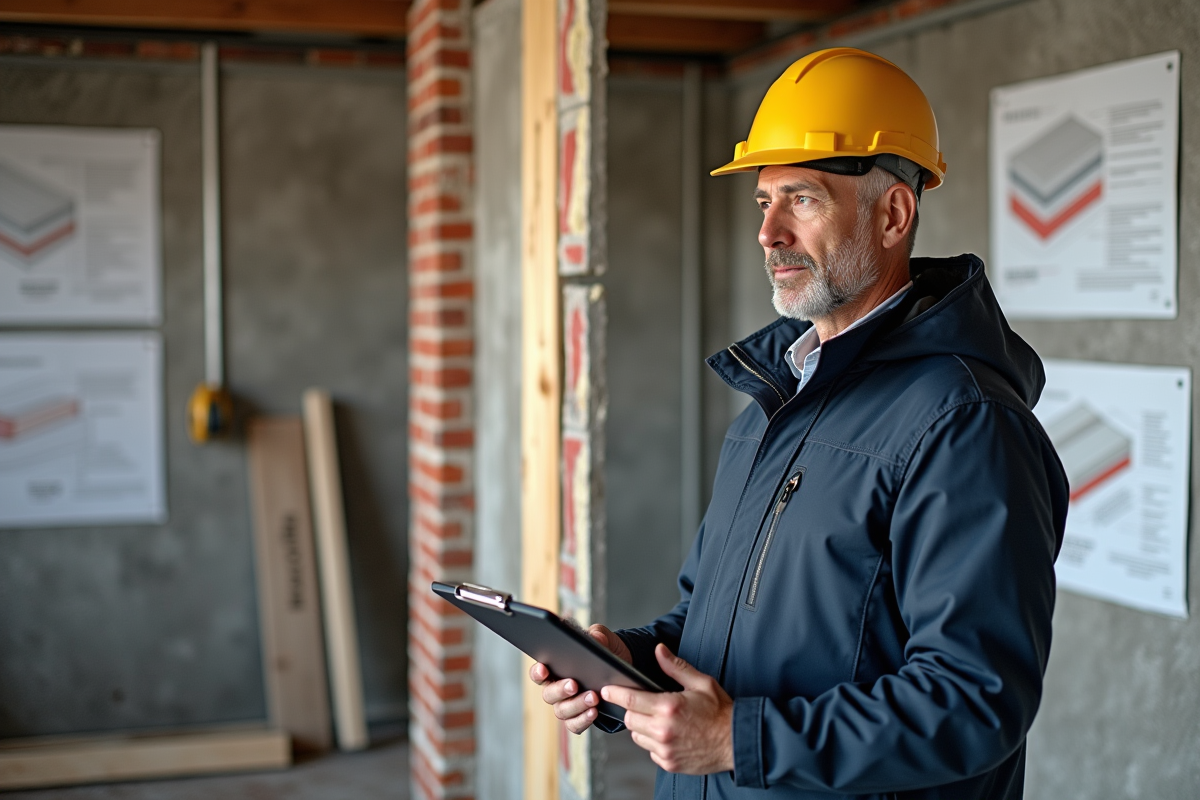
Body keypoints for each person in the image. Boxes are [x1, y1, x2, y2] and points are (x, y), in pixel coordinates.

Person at [531, 47, 1068, 799]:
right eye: (763, 202)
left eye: (802, 199)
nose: (769, 233)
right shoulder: (776, 403)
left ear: (893, 213)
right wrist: (627, 664)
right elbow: (713, 622)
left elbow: (974, 702)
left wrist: (736, 740)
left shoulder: (964, 423)